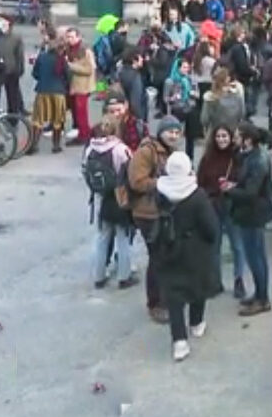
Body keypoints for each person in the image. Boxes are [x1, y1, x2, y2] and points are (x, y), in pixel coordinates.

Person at [154, 151, 219, 361]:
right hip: (195, 249)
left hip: (169, 246)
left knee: (174, 296)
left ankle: (179, 341)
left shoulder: (161, 191)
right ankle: (196, 323)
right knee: (197, 286)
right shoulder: (197, 195)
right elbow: (211, 227)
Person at [127, 116, 182, 323]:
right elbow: (137, 181)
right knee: (158, 258)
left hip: (164, 211)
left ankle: (166, 298)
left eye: (177, 132)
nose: (174, 135)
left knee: (166, 256)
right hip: (148, 213)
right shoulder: (146, 152)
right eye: (170, 131)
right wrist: (164, 183)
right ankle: (156, 303)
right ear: (161, 132)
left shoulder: (173, 153)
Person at [225, 122, 272, 316]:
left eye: (237, 136)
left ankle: (263, 299)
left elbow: (251, 191)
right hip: (251, 212)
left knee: (255, 257)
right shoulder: (250, 156)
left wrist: (231, 190)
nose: (234, 139)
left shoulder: (258, 160)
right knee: (256, 255)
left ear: (247, 140)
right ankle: (260, 294)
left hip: (253, 213)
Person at [83, 117, 137, 289]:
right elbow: (131, 171)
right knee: (123, 237)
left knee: (102, 237)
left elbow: (85, 170)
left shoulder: (90, 149)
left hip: (102, 197)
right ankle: (124, 276)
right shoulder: (120, 149)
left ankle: (98, 276)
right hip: (120, 197)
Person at [196, 124, 246, 298]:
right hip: (212, 205)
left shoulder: (238, 157)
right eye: (218, 136)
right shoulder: (208, 158)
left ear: (231, 137)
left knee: (237, 245)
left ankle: (239, 280)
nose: (221, 140)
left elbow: (244, 181)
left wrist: (232, 185)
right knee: (214, 245)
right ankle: (215, 282)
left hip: (232, 204)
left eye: (225, 136)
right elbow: (200, 181)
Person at [29, 30, 69, 154]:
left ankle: (34, 145)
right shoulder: (62, 60)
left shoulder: (42, 57)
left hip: (42, 90)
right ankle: (55, 146)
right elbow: (68, 76)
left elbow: (35, 73)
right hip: (58, 92)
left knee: (38, 119)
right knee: (57, 120)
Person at [64, 27, 96, 145]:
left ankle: (84, 136)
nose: (69, 39)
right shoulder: (68, 49)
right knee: (77, 113)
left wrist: (70, 66)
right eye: (68, 37)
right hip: (73, 85)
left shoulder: (85, 51)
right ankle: (83, 133)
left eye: (72, 37)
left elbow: (89, 69)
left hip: (82, 86)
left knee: (81, 113)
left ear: (78, 37)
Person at [164, 57, 201, 159]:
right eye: (184, 67)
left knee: (190, 137)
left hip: (190, 109)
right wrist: (173, 98)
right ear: (178, 68)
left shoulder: (191, 79)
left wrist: (194, 94)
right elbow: (165, 99)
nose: (186, 70)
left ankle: (190, 158)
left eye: (187, 68)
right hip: (177, 110)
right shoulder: (170, 81)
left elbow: (198, 94)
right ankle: (173, 155)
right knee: (175, 135)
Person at [0, 18, 25, 115]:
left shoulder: (15, 38)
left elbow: (19, 55)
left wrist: (20, 69)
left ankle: (13, 116)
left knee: (12, 96)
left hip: (11, 71)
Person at [200, 67, 246, 134]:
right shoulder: (237, 95)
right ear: (228, 79)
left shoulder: (210, 97)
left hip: (216, 132)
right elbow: (242, 113)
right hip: (233, 131)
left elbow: (204, 119)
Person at [117, 47, 147, 122]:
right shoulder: (135, 77)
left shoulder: (121, 71)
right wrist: (140, 119)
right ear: (134, 60)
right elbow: (136, 102)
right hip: (133, 117)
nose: (142, 59)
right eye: (141, 58)